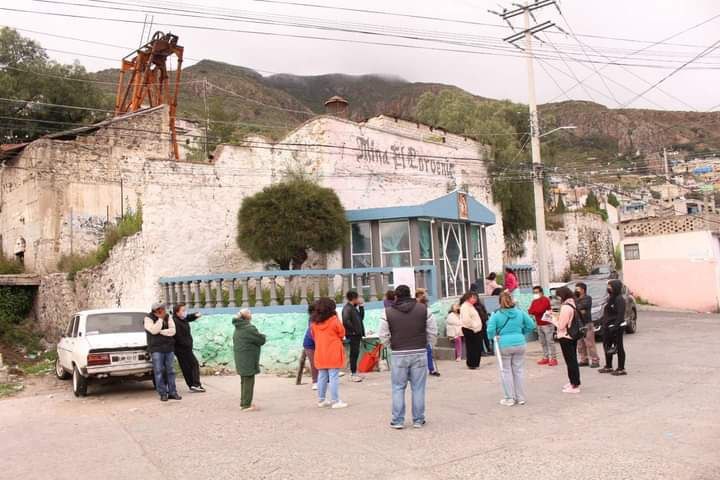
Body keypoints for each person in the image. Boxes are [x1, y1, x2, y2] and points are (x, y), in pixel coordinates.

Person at [378, 284, 438, 429]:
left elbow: (383, 335)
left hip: (398, 353)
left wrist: (390, 346)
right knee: (418, 388)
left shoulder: (387, 313)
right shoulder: (424, 310)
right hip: (419, 351)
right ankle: (418, 420)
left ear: (396, 296)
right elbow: (433, 331)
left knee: (398, 387)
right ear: (410, 294)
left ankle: (398, 420)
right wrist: (428, 344)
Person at [487, 292, 536, 406]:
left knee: (506, 371)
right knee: (518, 371)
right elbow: (531, 324)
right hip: (520, 343)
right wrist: (521, 332)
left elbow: (490, 330)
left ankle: (510, 398)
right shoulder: (520, 312)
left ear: (499, 302)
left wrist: (493, 337)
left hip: (504, 344)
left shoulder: (496, 315)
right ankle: (521, 397)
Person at [312, 297, 348, 409]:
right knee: (333, 377)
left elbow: (313, 337)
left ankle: (321, 400)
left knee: (322, 376)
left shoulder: (314, 323)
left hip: (320, 352)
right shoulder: (334, 320)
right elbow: (342, 333)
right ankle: (336, 400)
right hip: (333, 351)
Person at [144, 302, 180, 402]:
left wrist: (162, 332)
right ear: (157, 310)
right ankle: (163, 393)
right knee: (159, 371)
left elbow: (173, 331)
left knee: (171, 371)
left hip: (169, 348)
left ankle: (173, 392)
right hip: (156, 349)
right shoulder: (148, 318)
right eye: (162, 309)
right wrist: (160, 319)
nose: (164, 310)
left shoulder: (168, 317)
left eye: (164, 308)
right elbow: (154, 331)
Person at [232, 309, 266, 412]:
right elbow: (261, 340)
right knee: (249, 381)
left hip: (241, 357)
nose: (251, 315)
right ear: (247, 317)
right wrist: (263, 335)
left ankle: (244, 402)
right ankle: (246, 405)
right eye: (250, 313)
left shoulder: (238, 327)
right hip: (248, 358)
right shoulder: (249, 328)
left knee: (244, 380)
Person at [172, 303, 205, 393]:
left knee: (186, 367)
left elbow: (188, 318)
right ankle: (196, 384)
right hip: (182, 349)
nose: (185, 312)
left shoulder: (182, 319)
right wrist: (186, 344)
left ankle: (192, 385)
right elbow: (178, 337)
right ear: (177, 312)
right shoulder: (175, 322)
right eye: (182, 310)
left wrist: (195, 315)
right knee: (194, 364)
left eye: (185, 310)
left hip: (185, 348)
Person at [554, 286, 581, 394]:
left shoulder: (566, 307)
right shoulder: (572, 303)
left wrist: (553, 319)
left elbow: (561, 325)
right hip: (572, 335)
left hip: (565, 336)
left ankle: (574, 385)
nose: (558, 298)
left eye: (558, 296)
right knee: (572, 360)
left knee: (570, 361)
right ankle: (573, 382)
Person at [599, 280, 627, 376]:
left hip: (616, 327)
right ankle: (608, 366)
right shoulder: (610, 298)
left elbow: (620, 315)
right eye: (608, 286)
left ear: (615, 287)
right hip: (607, 326)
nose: (608, 288)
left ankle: (621, 368)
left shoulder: (620, 299)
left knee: (618, 347)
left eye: (610, 286)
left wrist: (615, 326)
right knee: (607, 345)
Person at [528, 286, 557, 367]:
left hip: (547, 324)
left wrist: (534, 311)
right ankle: (546, 357)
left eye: (537, 292)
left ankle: (554, 358)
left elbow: (540, 310)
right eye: (534, 292)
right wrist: (534, 311)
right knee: (543, 342)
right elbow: (530, 310)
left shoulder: (545, 300)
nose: (535, 294)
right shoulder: (534, 301)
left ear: (541, 292)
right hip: (539, 324)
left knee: (550, 342)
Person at [342, 291, 365, 382]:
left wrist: (361, 307)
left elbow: (361, 318)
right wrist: (354, 331)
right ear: (354, 299)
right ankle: (353, 373)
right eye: (358, 298)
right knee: (354, 354)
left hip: (356, 334)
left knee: (356, 353)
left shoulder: (353, 308)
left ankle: (354, 372)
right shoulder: (347, 308)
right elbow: (346, 321)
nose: (359, 299)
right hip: (352, 335)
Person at [575, 282, 600, 368]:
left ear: (583, 290)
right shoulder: (575, 298)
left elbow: (582, 306)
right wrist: (578, 307)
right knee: (580, 344)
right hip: (578, 324)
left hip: (587, 323)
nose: (576, 291)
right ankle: (584, 359)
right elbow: (577, 308)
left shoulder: (588, 298)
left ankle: (595, 360)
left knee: (589, 343)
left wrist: (578, 306)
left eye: (577, 289)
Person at [416, 288, 440, 377]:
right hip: (419, 331)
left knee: (428, 350)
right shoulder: (416, 304)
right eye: (424, 293)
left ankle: (431, 368)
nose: (425, 294)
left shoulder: (424, 303)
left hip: (425, 330)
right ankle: (424, 369)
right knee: (422, 352)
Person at [459, 292, 484, 369]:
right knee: (473, 347)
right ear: (468, 298)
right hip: (470, 329)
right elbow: (466, 320)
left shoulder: (470, 306)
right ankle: (472, 363)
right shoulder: (465, 306)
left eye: (475, 298)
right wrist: (474, 326)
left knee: (476, 347)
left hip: (474, 329)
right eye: (473, 298)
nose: (475, 299)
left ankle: (474, 363)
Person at [470, 282, 493, 356]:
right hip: (480, 319)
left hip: (479, 320)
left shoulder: (471, 297)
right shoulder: (475, 298)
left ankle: (484, 350)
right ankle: (487, 350)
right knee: (484, 336)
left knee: (481, 336)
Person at [303, 302, 319, 390]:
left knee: (321, 362)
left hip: (318, 343)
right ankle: (315, 381)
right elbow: (312, 333)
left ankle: (323, 379)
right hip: (309, 344)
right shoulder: (312, 319)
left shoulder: (320, 317)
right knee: (314, 363)